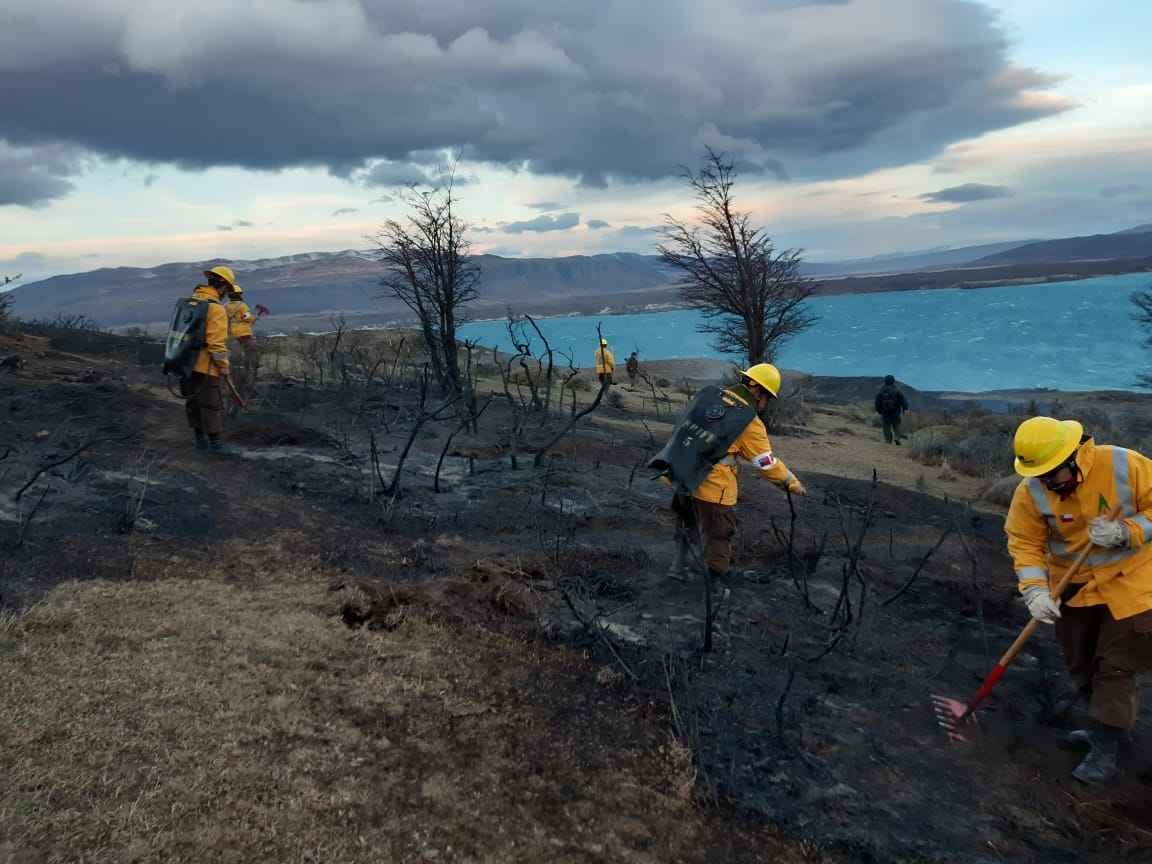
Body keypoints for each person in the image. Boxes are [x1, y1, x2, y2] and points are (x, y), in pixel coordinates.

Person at [1006, 415, 1152, 784]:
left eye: (1051, 473)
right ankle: (1107, 728)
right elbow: (1024, 543)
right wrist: (1035, 590)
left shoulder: (1123, 464)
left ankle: (1107, 742)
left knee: (1115, 666)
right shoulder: (1032, 491)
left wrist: (1127, 531)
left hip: (1134, 584)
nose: (1045, 482)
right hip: (1076, 590)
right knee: (1081, 664)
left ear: (1072, 456)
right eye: (1038, 475)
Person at [663, 363, 806, 583]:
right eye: (767, 397)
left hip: (683, 471)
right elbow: (765, 463)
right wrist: (791, 482)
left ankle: (678, 566)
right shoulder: (748, 420)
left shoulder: (709, 396)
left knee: (686, 520)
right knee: (720, 533)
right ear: (757, 390)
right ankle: (716, 582)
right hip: (714, 485)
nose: (765, 404)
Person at [181, 266, 235, 453]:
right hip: (206, 366)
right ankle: (216, 445)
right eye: (227, 290)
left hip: (185, 363)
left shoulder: (192, 301)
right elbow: (217, 344)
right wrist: (224, 365)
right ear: (223, 287)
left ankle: (199, 441)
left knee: (193, 402)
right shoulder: (216, 309)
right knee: (212, 404)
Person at [225, 283, 259, 399]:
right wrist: (253, 318)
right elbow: (246, 317)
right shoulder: (242, 305)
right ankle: (249, 375)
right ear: (239, 294)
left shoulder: (225, 306)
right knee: (251, 353)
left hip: (230, 334)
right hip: (243, 334)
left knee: (234, 356)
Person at [874, 374, 909, 444]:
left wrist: (879, 410)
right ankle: (897, 438)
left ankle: (888, 440)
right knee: (896, 425)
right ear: (893, 381)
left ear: (885, 381)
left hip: (885, 412)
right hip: (895, 411)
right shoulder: (896, 390)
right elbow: (903, 400)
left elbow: (877, 402)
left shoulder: (881, 390)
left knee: (886, 427)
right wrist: (905, 408)